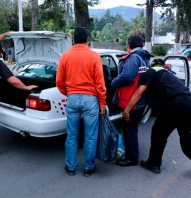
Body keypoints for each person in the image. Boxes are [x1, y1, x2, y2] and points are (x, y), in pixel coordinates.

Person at [123, 58, 191, 181]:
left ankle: (154, 164)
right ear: (163, 65)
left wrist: (127, 110)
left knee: (158, 135)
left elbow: (139, 93)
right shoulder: (170, 74)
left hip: (174, 105)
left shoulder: (151, 71)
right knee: (186, 137)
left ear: (153, 65)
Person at [56, 27, 106, 177]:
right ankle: (88, 168)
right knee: (90, 135)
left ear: (73, 40)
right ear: (87, 39)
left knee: (71, 135)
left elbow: (59, 81)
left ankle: (71, 167)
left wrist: (69, 93)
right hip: (91, 100)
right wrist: (102, 103)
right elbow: (100, 84)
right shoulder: (94, 56)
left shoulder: (65, 56)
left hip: (72, 98)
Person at [111, 34, 153, 167]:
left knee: (129, 130)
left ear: (129, 46)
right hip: (140, 100)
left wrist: (113, 82)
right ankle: (132, 154)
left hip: (131, 100)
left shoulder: (133, 58)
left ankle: (132, 158)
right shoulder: (145, 58)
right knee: (132, 128)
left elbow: (127, 77)